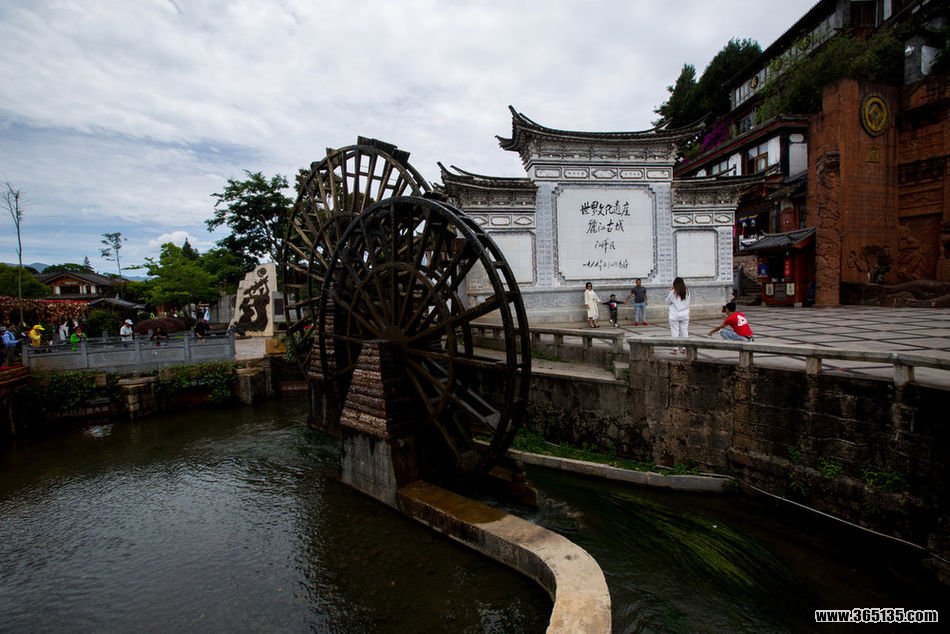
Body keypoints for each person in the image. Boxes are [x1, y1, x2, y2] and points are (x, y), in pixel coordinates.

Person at [665, 277, 690, 353]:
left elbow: (667, 301)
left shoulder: (673, 292)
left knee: (674, 331)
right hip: (685, 314)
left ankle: (675, 348)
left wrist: (671, 291)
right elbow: (688, 302)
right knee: (684, 331)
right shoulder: (687, 292)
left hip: (674, 314)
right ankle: (684, 347)